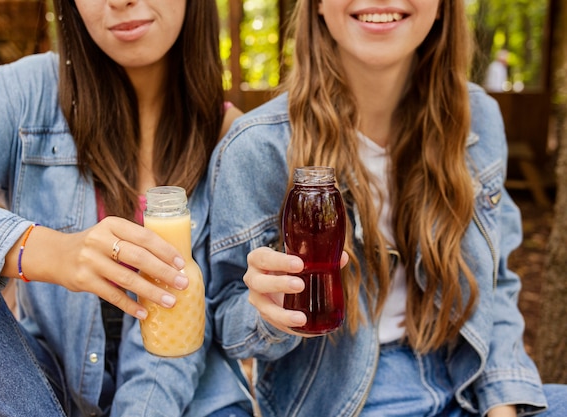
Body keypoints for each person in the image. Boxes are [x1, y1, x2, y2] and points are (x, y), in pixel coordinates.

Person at [207, 1, 567, 416]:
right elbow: (227, 327)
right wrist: (268, 313)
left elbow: (497, 289)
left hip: (463, 383)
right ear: (319, 5)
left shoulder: (478, 117)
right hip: (340, 402)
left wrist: (501, 404)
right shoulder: (257, 147)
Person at [0, 0, 253, 415]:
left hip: (190, 398)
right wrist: (44, 250)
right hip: (43, 388)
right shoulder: (29, 92)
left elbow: (183, 338)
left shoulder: (232, 139)